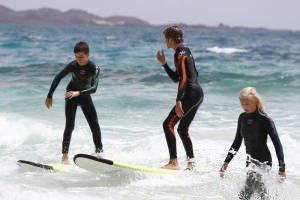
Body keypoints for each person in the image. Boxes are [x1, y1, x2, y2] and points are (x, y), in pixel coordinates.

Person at [219, 87, 286, 199]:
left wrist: (282, 167)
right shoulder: (242, 118)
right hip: (250, 161)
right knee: (258, 193)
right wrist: (226, 162)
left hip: (264, 161)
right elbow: (237, 142)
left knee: (248, 194)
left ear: (255, 102)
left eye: (247, 104)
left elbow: (277, 144)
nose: (244, 107)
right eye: (242, 104)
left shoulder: (265, 120)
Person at [45, 41, 103, 164]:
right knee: (69, 125)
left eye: (81, 57)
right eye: (76, 57)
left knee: (94, 124)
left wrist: (78, 93)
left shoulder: (94, 68)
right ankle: (64, 157)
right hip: (71, 95)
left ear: (88, 55)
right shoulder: (73, 65)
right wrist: (50, 95)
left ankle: (99, 153)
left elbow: (94, 88)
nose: (79, 60)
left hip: (83, 95)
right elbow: (58, 77)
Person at [156, 26, 204, 170]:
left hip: (190, 94)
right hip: (198, 93)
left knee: (167, 125)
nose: (165, 42)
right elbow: (177, 77)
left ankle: (173, 162)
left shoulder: (181, 54)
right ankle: (191, 163)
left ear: (171, 39)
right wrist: (164, 64)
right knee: (182, 129)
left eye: (166, 39)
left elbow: (183, 80)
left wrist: (179, 100)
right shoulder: (185, 52)